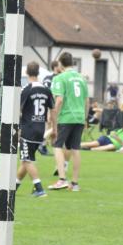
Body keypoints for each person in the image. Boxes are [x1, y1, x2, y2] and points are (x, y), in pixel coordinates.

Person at [48, 52, 89, 192]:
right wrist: (85, 117)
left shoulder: (60, 78)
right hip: (79, 117)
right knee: (75, 148)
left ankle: (61, 179)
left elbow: (59, 100)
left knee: (57, 146)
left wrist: (53, 115)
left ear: (60, 64)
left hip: (66, 117)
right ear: (72, 62)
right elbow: (86, 100)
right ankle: (75, 183)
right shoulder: (82, 78)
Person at [16, 62, 55, 198]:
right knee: (26, 160)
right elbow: (52, 109)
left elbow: (18, 110)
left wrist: (16, 127)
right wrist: (54, 128)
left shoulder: (26, 89)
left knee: (27, 160)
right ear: (38, 72)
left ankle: (39, 189)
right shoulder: (46, 90)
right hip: (40, 129)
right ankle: (13, 188)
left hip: (28, 129)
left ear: (26, 73)